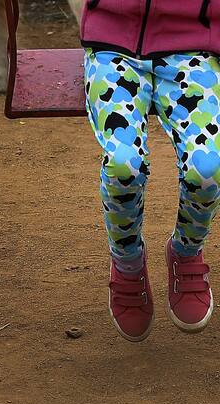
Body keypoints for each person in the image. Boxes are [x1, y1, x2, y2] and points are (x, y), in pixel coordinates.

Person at [82, 1, 220, 341]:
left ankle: (186, 252)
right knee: (123, 164)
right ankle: (127, 263)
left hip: (193, 46)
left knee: (208, 168)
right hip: (113, 46)